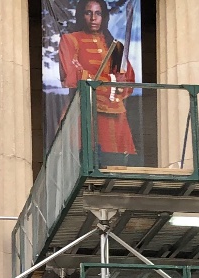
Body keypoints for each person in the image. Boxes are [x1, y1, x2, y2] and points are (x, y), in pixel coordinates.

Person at [57, 0, 137, 160]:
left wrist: (121, 81)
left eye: (98, 13)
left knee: (117, 164)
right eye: (88, 13)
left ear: (104, 16)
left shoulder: (115, 46)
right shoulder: (70, 40)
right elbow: (71, 75)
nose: (93, 18)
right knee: (84, 161)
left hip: (115, 114)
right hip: (83, 109)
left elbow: (128, 81)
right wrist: (108, 81)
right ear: (81, 15)